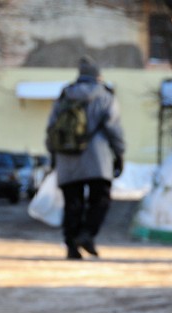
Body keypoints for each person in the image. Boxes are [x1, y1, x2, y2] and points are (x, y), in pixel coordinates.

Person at [45, 56, 125, 259]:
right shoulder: (105, 96)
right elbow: (113, 128)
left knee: (72, 202)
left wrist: (53, 153)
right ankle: (87, 234)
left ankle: (72, 246)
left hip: (67, 157)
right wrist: (119, 153)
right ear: (98, 76)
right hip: (97, 157)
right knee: (100, 199)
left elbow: (52, 127)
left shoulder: (65, 95)